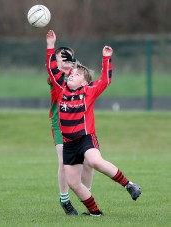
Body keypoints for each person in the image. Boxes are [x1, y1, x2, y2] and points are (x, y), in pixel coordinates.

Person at [46, 30, 141, 216]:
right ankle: (96, 213)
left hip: (85, 138)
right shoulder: (60, 89)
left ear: (84, 82)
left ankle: (129, 185)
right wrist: (50, 45)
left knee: (94, 161)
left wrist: (106, 58)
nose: (71, 75)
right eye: (71, 73)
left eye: (76, 74)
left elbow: (105, 79)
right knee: (73, 183)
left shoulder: (88, 91)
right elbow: (52, 69)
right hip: (69, 144)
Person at [45, 31, 94, 215]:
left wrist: (76, 65)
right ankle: (64, 199)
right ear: (55, 62)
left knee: (89, 163)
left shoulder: (79, 75)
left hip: (81, 125)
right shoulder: (56, 77)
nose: (65, 59)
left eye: (69, 57)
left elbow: (88, 81)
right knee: (63, 161)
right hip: (61, 125)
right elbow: (52, 71)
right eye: (61, 57)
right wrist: (50, 46)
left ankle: (86, 196)